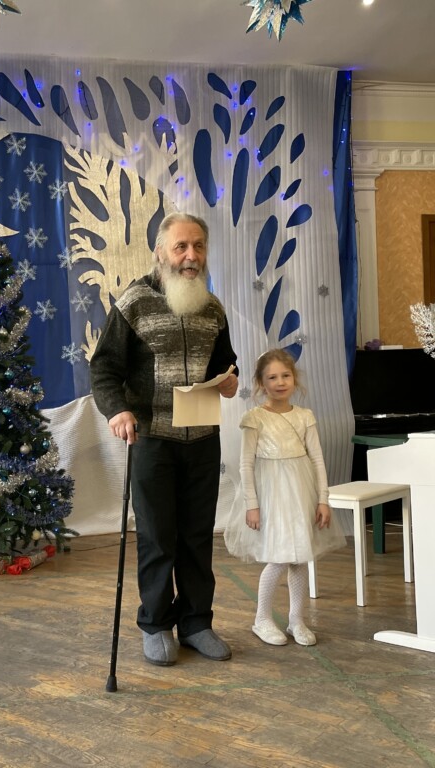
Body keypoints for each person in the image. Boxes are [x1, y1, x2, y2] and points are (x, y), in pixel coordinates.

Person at [90, 212, 239, 667]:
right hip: (152, 438)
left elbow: (226, 362)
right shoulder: (134, 302)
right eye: (181, 247)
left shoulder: (212, 308)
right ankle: (155, 624)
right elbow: (104, 367)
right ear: (161, 252)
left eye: (198, 246)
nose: (191, 255)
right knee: (158, 537)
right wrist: (117, 410)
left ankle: (196, 623)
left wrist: (229, 379)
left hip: (203, 438)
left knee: (197, 536)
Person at [224, 349, 346, 647]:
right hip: (271, 496)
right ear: (261, 383)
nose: (280, 382)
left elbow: (317, 460)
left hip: (301, 493)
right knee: (278, 558)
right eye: (272, 377)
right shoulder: (255, 418)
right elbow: (245, 464)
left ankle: (296, 619)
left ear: (295, 379)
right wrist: (252, 504)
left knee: (300, 558)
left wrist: (323, 499)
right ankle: (262, 619)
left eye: (285, 376)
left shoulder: (304, 416)